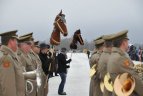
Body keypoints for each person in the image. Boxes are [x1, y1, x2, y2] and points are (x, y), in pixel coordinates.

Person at [107, 30, 143, 96]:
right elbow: (134, 77)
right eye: (127, 41)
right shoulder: (121, 58)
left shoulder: (113, 55)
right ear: (124, 43)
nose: (128, 44)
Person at [0, 30, 25, 96]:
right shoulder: (6, 58)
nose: (17, 43)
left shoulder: (11, 56)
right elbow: (8, 86)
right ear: (11, 42)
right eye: (16, 41)